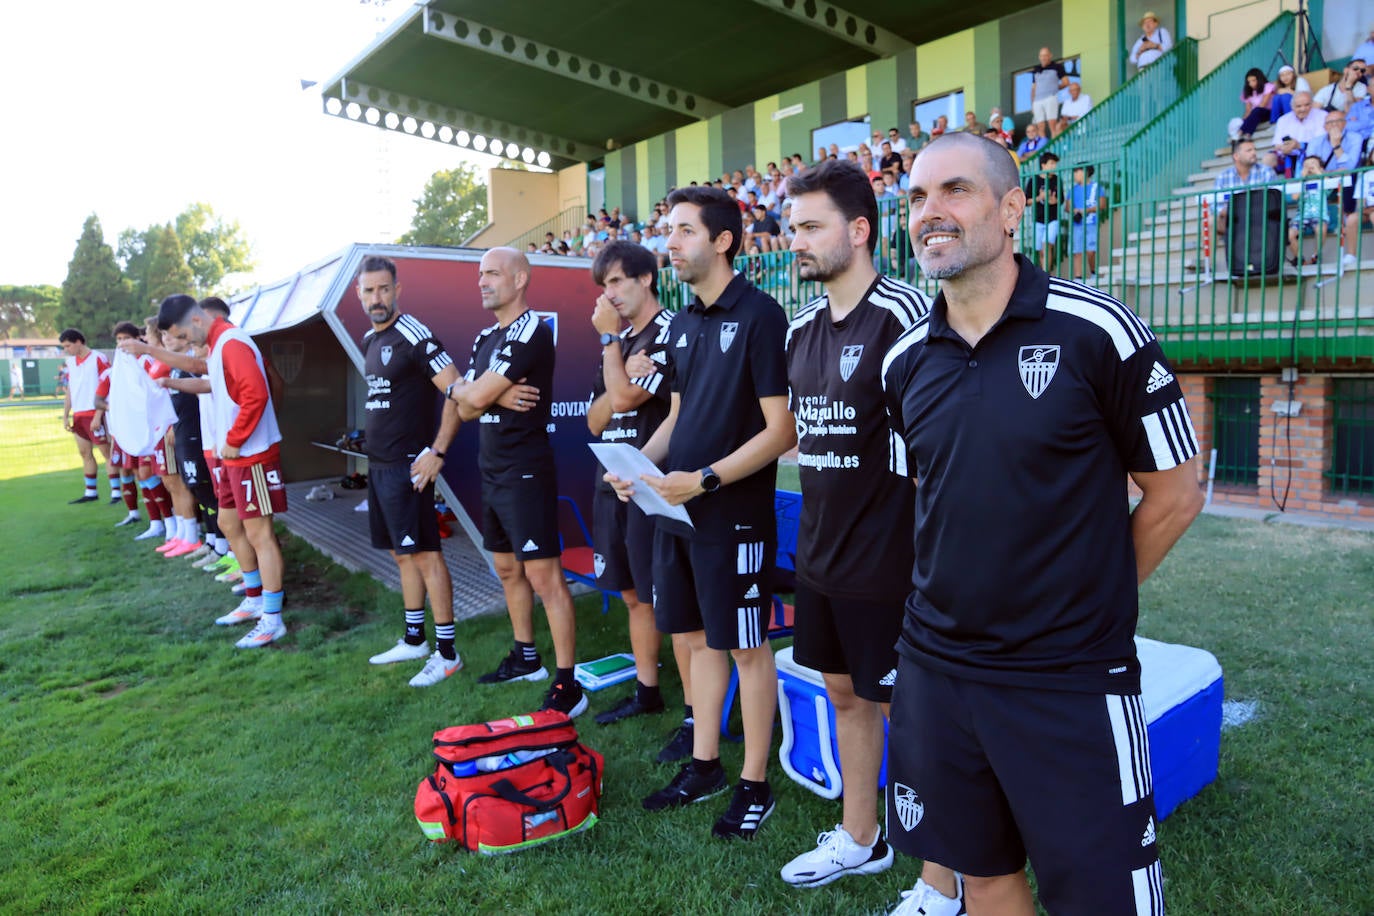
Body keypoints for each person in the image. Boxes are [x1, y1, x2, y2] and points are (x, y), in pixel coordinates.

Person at [883, 131, 1204, 915]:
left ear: (1012, 207)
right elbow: (926, 499)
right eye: (918, 198)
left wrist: (1092, 601)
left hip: (1067, 677)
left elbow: (1177, 491)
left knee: (1104, 899)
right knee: (982, 871)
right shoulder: (904, 363)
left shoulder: (1097, 331)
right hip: (937, 668)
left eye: (955, 191)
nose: (931, 213)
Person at [776, 160, 960, 909]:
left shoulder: (907, 315)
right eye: (792, 228)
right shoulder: (800, 327)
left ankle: (942, 879)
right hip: (821, 555)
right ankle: (862, 837)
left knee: (914, 720)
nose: (797, 242)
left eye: (811, 227)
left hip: (894, 561)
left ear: (859, 230)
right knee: (844, 696)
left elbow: (937, 455)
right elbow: (806, 441)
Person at [607, 186, 795, 840]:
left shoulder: (764, 317)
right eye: (669, 230)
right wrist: (640, 469)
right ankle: (705, 763)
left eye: (684, 231)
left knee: (747, 647)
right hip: (676, 511)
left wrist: (706, 480)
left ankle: (755, 783)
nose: (671, 243)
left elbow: (782, 430)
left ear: (721, 241)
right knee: (700, 639)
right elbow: (680, 421)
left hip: (733, 517)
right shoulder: (684, 323)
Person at [445, 247, 586, 717]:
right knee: (506, 568)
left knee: (544, 576)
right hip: (493, 468)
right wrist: (494, 394)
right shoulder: (487, 335)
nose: (482, 282)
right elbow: (465, 407)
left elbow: (472, 395)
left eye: (492, 274)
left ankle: (569, 684)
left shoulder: (532, 330)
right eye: (479, 274)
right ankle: (526, 656)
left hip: (526, 469)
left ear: (520, 278)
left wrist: (483, 392)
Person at [585, 241, 694, 759]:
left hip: (655, 486)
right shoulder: (621, 344)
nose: (608, 296)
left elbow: (626, 400)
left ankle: (696, 717)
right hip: (613, 483)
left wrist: (613, 351)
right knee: (633, 595)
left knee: (668, 601)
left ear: (646, 278)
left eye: (616, 283)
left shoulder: (670, 331)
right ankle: (647, 692)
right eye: (603, 286)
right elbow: (594, 417)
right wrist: (621, 367)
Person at [352, 255, 471, 687]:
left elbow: (456, 391)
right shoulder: (369, 339)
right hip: (379, 467)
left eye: (384, 289)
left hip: (409, 469)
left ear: (397, 289)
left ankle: (447, 652)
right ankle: (415, 638)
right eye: (369, 291)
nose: (377, 298)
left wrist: (437, 451)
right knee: (400, 553)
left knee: (424, 553)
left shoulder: (414, 335)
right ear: (359, 294)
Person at [158, 295, 289, 648]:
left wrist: (234, 438)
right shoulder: (218, 345)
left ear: (197, 321)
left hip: (252, 456)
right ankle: (255, 598)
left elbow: (256, 395)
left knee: (260, 534)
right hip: (233, 457)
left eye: (183, 336)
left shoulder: (231, 341)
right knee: (230, 525)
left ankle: (273, 619)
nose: (185, 344)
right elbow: (214, 384)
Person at [58, 328, 117, 504]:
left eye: (68, 345)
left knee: (107, 452)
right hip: (79, 414)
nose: (66, 349)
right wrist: (66, 414)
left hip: (94, 413)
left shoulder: (98, 358)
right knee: (85, 452)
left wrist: (99, 415)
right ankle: (90, 492)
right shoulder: (70, 362)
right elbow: (70, 389)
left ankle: (116, 493)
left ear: (78, 342)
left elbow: (107, 385)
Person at [1212, 138, 1278, 240]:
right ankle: (1210, 257)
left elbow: (1273, 200)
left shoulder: (1267, 172)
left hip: (1259, 216)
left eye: (1254, 149)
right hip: (1233, 218)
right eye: (1249, 150)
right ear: (1236, 156)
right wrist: (1224, 212)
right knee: (1211, 221)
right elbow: (1215, 204)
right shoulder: (1223, 177)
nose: (1254, 153)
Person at [1285, 156, 1340, 266]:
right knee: (1289, 234)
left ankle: (1316, 255)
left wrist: (1319, 173)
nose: (1310, 167)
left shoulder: (1324, 182)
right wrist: (1302, 179)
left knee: (1321, 229)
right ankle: (1299, 258)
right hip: (1301, 217)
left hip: (1319, 215)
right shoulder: (1300, 183)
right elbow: (1295, 197)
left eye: (1313, 164)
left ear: (1321, 168)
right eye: (1306, 166)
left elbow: (1331, 187)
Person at [1271, 91, 1325, 176]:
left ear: (1312, 104)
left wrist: (1299, 145)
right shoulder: (1283, 120)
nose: (1303, 109)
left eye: (1307, 105)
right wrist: (1284, 147)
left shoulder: (1322, 116)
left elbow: (1320, 142)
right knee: (1269, 158)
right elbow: (1277, 145)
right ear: (1292, 107)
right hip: (1288, 155)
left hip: (1313, 154)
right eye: (1298, 106)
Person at [1025, 151, 1062, 273]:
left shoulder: (1057, 179)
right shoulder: (1034, 180)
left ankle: (1046, 276)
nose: (1054, 166)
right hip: (1038, 219)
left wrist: (1054, 200)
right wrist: (1039, 198)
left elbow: (1061, 199)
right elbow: (1026, 201)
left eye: (1055, 164)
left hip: (1053, 218)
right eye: (1051, 163)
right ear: (1043, 165)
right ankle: (1044, 274)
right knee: (1041, 250)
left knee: (1047, 246)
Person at [1069, 164, 1105, 278]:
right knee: (1077, 251)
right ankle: (1078, 277)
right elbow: (1067, 206)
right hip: (1077, 224)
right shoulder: (1073, 189)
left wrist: (1087, 210)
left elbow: (1102, 204)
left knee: (1091, 251)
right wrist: (1075, 210)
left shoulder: (1096, 187)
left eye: (1077, 171)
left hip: (1091, 223)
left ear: (1085, 172)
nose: (1075, 174)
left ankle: (1093, 272)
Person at [1030, 47, 1070, 139]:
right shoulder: (1036, 69)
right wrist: (1032, 103)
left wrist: (1055, 88)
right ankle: (1044, 148)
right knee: (1040, 126)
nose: (1043, 58)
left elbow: (1066, 82)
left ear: (1050, 56)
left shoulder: (1057, 67)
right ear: (1039, 57)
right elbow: (1033, 88)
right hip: (1037, 100)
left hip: (1050, 97)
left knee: (1052, 124)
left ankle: (1053, 147)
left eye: (1045, 55)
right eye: (1041, 56)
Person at [1234, 68, 1276, 139]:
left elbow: (1263, 104)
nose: (1251, 84)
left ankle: (1243, 133)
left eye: (1253, 80)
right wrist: (1244, 119)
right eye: (1249, 82)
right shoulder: (1247, 92)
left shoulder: (1267, 86)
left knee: (1257, 110)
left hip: (1267, 113)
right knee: (1239, 120)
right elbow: (1248, 110)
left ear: (1259, 79)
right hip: (1255, 115)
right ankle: (1244, 134)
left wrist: (1249, 118)